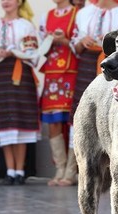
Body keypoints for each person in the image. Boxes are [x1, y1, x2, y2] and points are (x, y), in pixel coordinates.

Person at [67, 0, 118, 185]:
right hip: (87, 63)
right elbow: (75, 45)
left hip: (111, 64)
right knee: (83, 113)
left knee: (112, 110)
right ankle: (81, 170)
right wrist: (81, 41)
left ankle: (113, 171)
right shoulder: (84, 12)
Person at [0, 0, 39, 185]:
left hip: (19, 75)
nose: (6, 2)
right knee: (4, 123)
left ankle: (20, 170)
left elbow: (32, 51)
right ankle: (10, 170)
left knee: (18, 122)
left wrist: (14, 52)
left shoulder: (25, 25)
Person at [39, 0, 79, 186]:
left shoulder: (77, 14)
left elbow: (80, 45)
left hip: (71, 72)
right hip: (52, 73)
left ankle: (71, 170)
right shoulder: (46, 15)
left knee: (73, 121)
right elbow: (40, 47)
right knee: (53, 121)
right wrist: (47, 40)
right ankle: (59, 168)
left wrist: (64, 40)